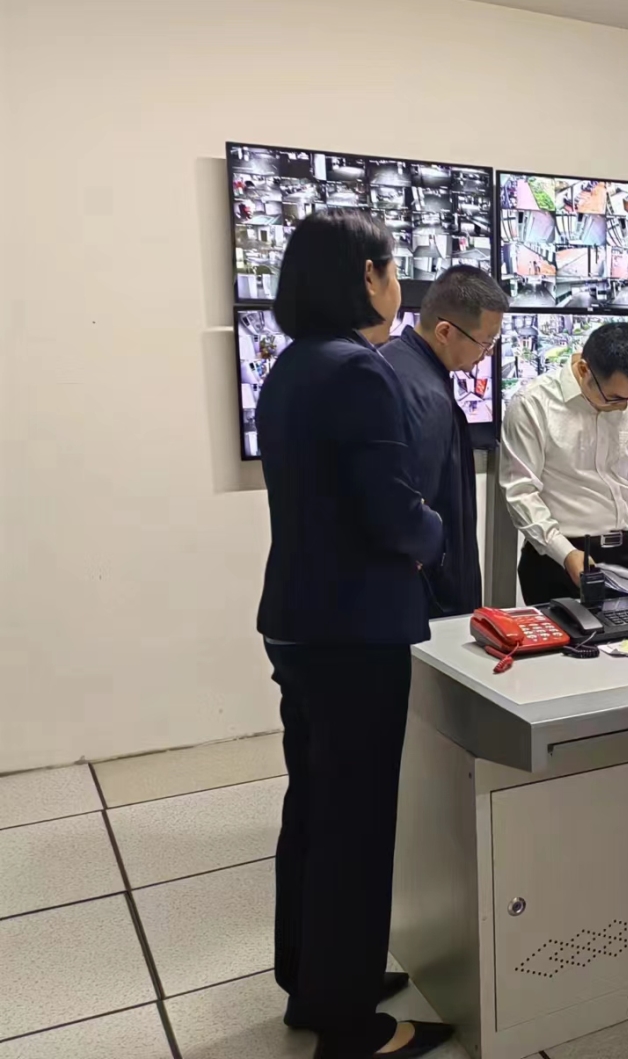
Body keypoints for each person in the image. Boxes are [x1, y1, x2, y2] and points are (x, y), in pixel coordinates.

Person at [255, 208, 453, 1059]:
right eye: (393, 267)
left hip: (299, 620)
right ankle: (349, 1027)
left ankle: (315, 981)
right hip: (354, 631)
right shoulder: (359, 370)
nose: (399, 283)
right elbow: (394, 513)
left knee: (314, 806)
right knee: (357, 823)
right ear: (368, 276)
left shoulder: (292, 365)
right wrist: (435, 533)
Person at [500, 320, 628, 604]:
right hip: (558, 559)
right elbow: (521, 493)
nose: (623, 407)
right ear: (584, 370)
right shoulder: (533, 404)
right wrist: (565, 553)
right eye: (614, 398)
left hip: (626, 557)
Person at [382, 265, 507, 618]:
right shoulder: (428, 397)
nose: (488, 353)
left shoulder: (390, 359)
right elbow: (410, 514)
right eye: (485, 342)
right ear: (445, 332)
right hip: (427, 598)